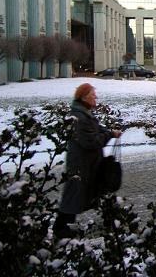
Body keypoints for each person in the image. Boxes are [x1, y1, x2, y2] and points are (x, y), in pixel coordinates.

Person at [53, 83, 122, 239]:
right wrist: (109, 135)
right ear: (84, 97)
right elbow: (91, 141)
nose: (95, 97)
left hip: (88, 164)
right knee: (75, 195)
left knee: (92, 192)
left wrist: (110, 132)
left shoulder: (83, 113)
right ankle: (61, 228)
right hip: (81, 166)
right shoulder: (80, 116)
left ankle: (109, 220)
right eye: (92, 94)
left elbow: (97, 129)